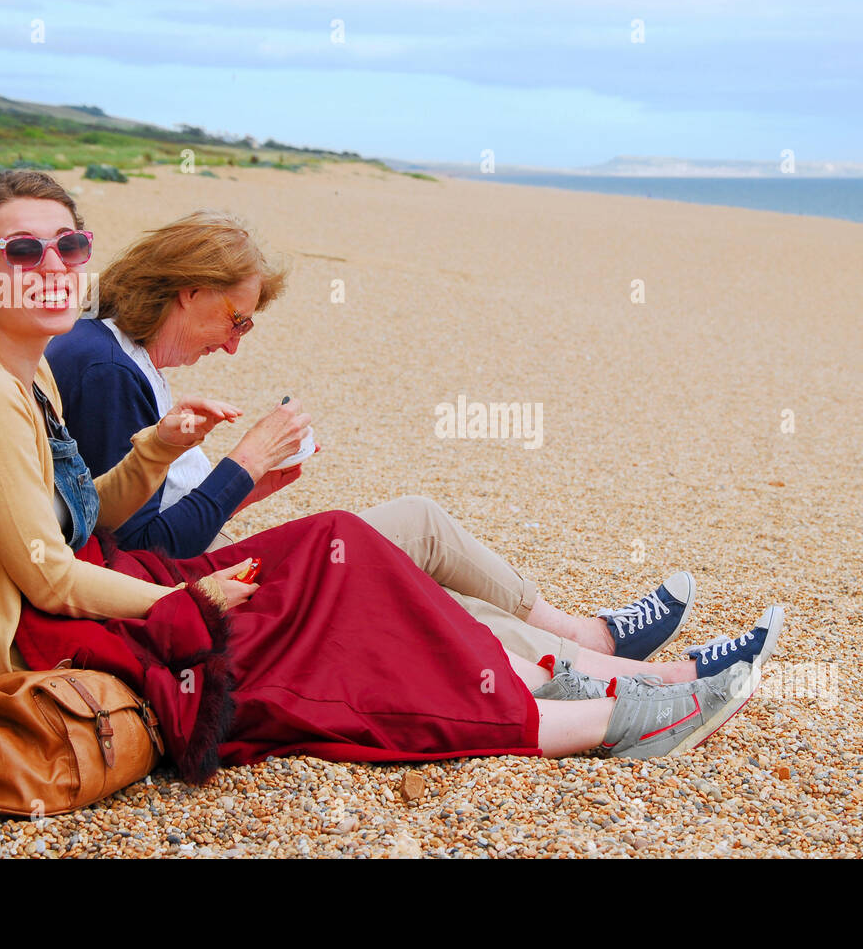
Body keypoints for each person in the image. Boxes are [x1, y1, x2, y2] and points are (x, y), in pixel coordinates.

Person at [0, 170, 774, 772]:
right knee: (331, 615)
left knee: (343, 556)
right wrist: (190, 594)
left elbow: (82, 516)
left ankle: (592, 683)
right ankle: (597, 712)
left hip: (83, 602)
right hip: (16, 658)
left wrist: (155, 453)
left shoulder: (33, 368)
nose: (54, 268)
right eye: (23, 253)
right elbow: (52, 575)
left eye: (68, 246)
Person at [46, 210, 784, 687]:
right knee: (400, 572)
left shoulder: (115, 355)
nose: (235, 345)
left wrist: (255, 483)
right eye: (235, 321)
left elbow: (137, 513)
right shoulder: (109, 369)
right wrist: (240, 466)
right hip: (183, 593)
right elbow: (141, 548)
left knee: (418, 529)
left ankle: (587, 642)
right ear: (186, 291)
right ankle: (644, 679)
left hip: (193, 572)